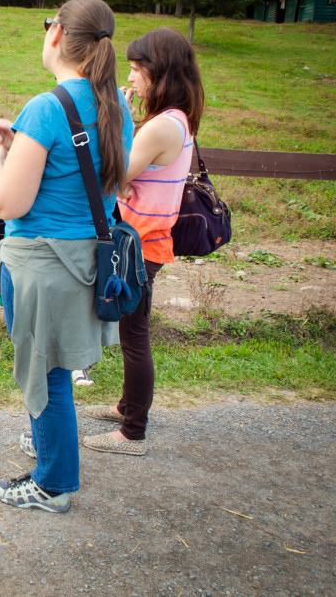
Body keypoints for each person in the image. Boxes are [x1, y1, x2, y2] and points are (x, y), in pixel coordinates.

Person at [0, 0, 133, 512]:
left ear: (57, 34)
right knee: (55, 371)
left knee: (44, 371)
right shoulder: (117, 103)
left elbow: (8, 202)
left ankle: (53, 484)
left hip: (40, 264)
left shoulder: (47, 107)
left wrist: (2, 152)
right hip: (85, 262)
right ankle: (51, 458)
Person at [81, 27, 203, 456]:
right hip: (147, 241)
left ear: (161, 72)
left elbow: (108, 172)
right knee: (132, 330)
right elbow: (124, 174)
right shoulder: (176, 119)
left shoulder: (161, 127)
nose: (129, 79)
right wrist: (123, 179)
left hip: (141, 245)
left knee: (134, 337)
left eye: (136, 70)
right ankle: (126, 405)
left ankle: (133, 431)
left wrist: (115, 119)